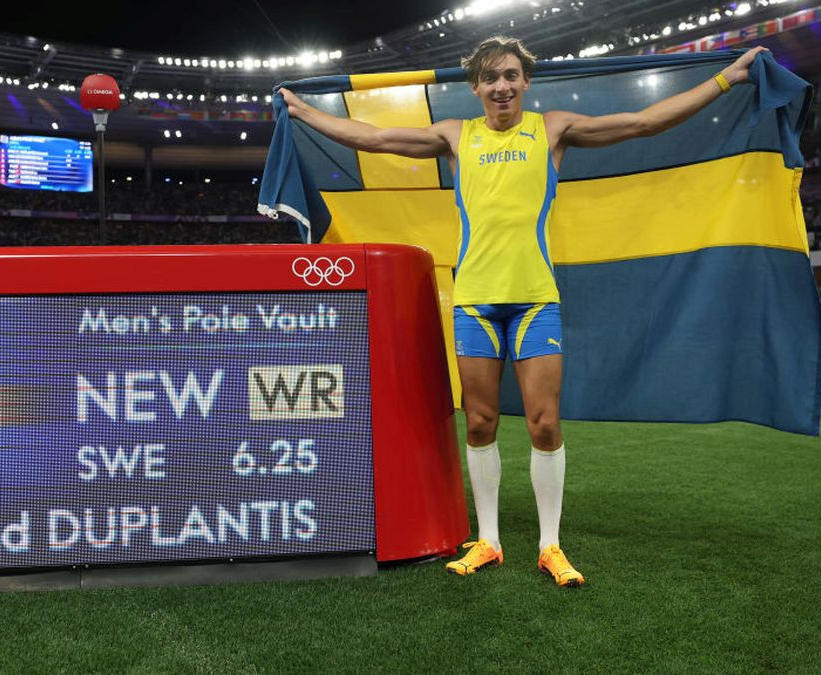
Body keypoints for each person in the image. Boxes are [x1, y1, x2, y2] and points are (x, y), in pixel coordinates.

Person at [279, 36, 768, 587]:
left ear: (526, 80)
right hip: (476, 302)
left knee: (544, 423)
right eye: (490, 78)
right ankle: (488, 540)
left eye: (510, 75)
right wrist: (302, 112)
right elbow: (375, 137)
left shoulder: (551, 128)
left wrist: (731, 77)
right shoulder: (456, 136)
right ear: (476, 87)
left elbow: (643, 122)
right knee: (481, 421)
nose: (501, 86)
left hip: (536, 298)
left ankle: (550, 545)